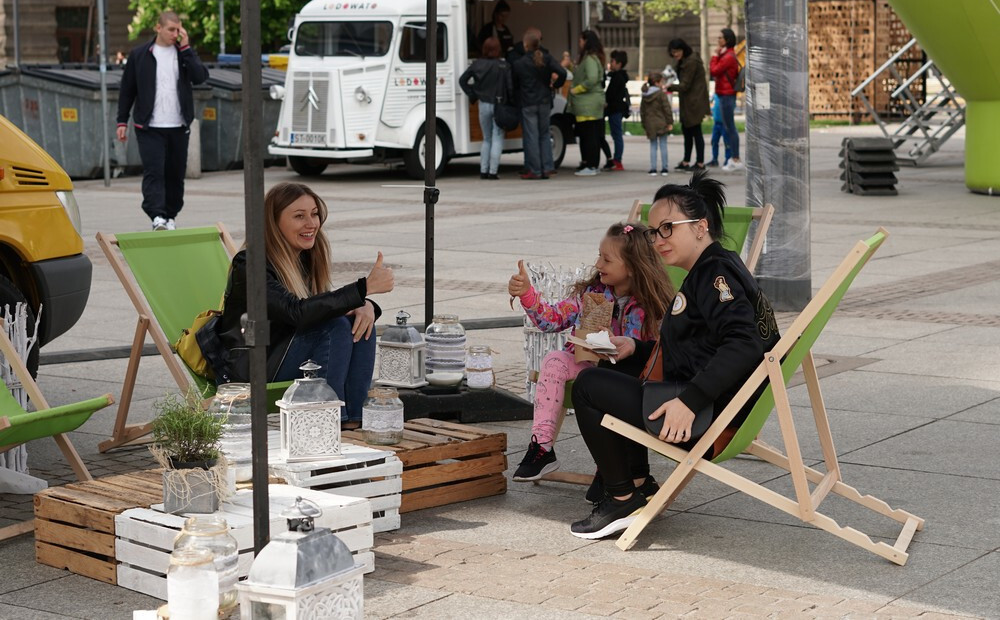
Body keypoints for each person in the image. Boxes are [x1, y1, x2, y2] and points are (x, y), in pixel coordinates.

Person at [567, 171, 781, 539]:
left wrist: (689, 401)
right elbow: (704, 344)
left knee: (587, 384)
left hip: (710, 420)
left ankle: (621, 497)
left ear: (700, 227)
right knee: (622, 363)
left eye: (668, 228)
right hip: (712, 406)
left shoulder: (716, 276)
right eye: (653, 232)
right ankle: (638, 482)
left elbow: (743, 343)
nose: (657, 240)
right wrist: (640, 347)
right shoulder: (714, 267)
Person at [207, 182, 395, 429]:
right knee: (335, 327)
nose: (312, 223)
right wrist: (363, 289)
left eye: (314, 214)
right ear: (273, 223)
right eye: (299, 216)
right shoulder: (250, 264)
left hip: (284, 353)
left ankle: (354, 422)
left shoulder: (303, 258)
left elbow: (320, 307)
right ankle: (328, 424)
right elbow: (295, 312)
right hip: (251, 365)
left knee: (359, 323)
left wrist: (365, 304)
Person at [508, 222, 674, 481]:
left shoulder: (652, 305)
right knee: (554, 360)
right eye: (599, 255)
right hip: (588, 365)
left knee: (604, 381)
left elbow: (659, 352)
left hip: (628, 377)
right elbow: (552, 319)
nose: (598, 264)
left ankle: (608, 470)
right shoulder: (592, 294)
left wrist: (625, 344)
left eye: (606, 259)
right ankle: (541, 448)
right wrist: (528, 294)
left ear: (631, 267)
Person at [116, 11, 209, 231]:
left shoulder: (183, 53)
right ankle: (157, 216)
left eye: (179, 30)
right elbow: (127, 90)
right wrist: (121, 121)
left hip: (178, 125)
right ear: (158, 28)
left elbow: (200, 77)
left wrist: (187, 49)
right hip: (149, 127)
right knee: (154, 171)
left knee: (175, 173)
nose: (175, 34)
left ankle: (170, 215)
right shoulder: (140, 55)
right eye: (171, 30)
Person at [512, 29, 566, 180]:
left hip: (528, 103)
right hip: (544, 101)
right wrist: (556, 85)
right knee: (544, 135)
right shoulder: (546, 59)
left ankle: (535, 170)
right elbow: (562, 72)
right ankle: (548, 167)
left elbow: (514, 84)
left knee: (531, 136)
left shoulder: (519, 63)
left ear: (525, 45)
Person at [459, 37, 512, 180]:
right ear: (498, 49)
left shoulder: (477, 64)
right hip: (499, 104)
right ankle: (493, 172)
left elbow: (462, 80)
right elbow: (510, 87)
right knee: (497, 138)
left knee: (486, 138)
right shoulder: (504, 66)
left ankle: (483, 170)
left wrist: (473, 94)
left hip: (483, 103)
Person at [666, 38, 710, 172]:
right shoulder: (685, 61)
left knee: (695, 131)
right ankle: (686, 161)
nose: (675, 54)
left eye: (677, 51)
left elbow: (685, 85)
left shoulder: (691, 62)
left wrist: (670, 87)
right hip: (689, 101)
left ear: (683, 49)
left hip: (694, 102)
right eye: (673, 52)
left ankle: (700, 163)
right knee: (688, 131)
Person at [568, 30, 606, 176]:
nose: (579, 43)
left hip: (587, 105)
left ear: (586, 41)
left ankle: (590, 165)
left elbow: (591, 79)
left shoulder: (590, 59)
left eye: (581, 41)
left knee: (588, 136)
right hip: (591, 104)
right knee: (592, 136)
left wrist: (576, 90)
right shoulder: (594, 58)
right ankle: (591, 165)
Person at [710, 28, 743, 171]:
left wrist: (714, 56)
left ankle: (735, 158)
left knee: (730, 127)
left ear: (727, 40)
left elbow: (714, 71)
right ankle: (733, 158)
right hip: (724, 93)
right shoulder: (726, 55)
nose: (718, 40)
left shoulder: (728, 56)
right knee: (728, 126)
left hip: (727, 94)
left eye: (720, 38)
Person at [640, 71, 673, 177]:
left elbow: (642, 111)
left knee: (653, 146)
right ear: (657, 82)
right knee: (663, 145)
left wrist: (644, 124)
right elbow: (667, 108)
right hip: (661, 122)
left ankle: (653, 168)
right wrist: (670, 122)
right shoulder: (661, 94)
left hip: (650, 124)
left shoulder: (645, 95)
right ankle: (664, 168)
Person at [602, 50, 631, 172]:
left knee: (617, 135)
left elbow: (612, 95)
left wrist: (606, 102)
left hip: (615, 109)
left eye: (612, 61)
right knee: (616, 135)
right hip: (615, 109)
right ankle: (616, 159)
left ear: (619, 64)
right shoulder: (618, 76)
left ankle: (617, 160)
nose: (610, 63)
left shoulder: (618, 77)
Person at [707, 93, 733, 168]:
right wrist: (711, 110)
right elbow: (714, 105)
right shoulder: (715, 95)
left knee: (727, 142)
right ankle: (714, 159)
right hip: (716, 123)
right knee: (714, 141)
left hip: (725, 123)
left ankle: (728, 159)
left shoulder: (727, 95)